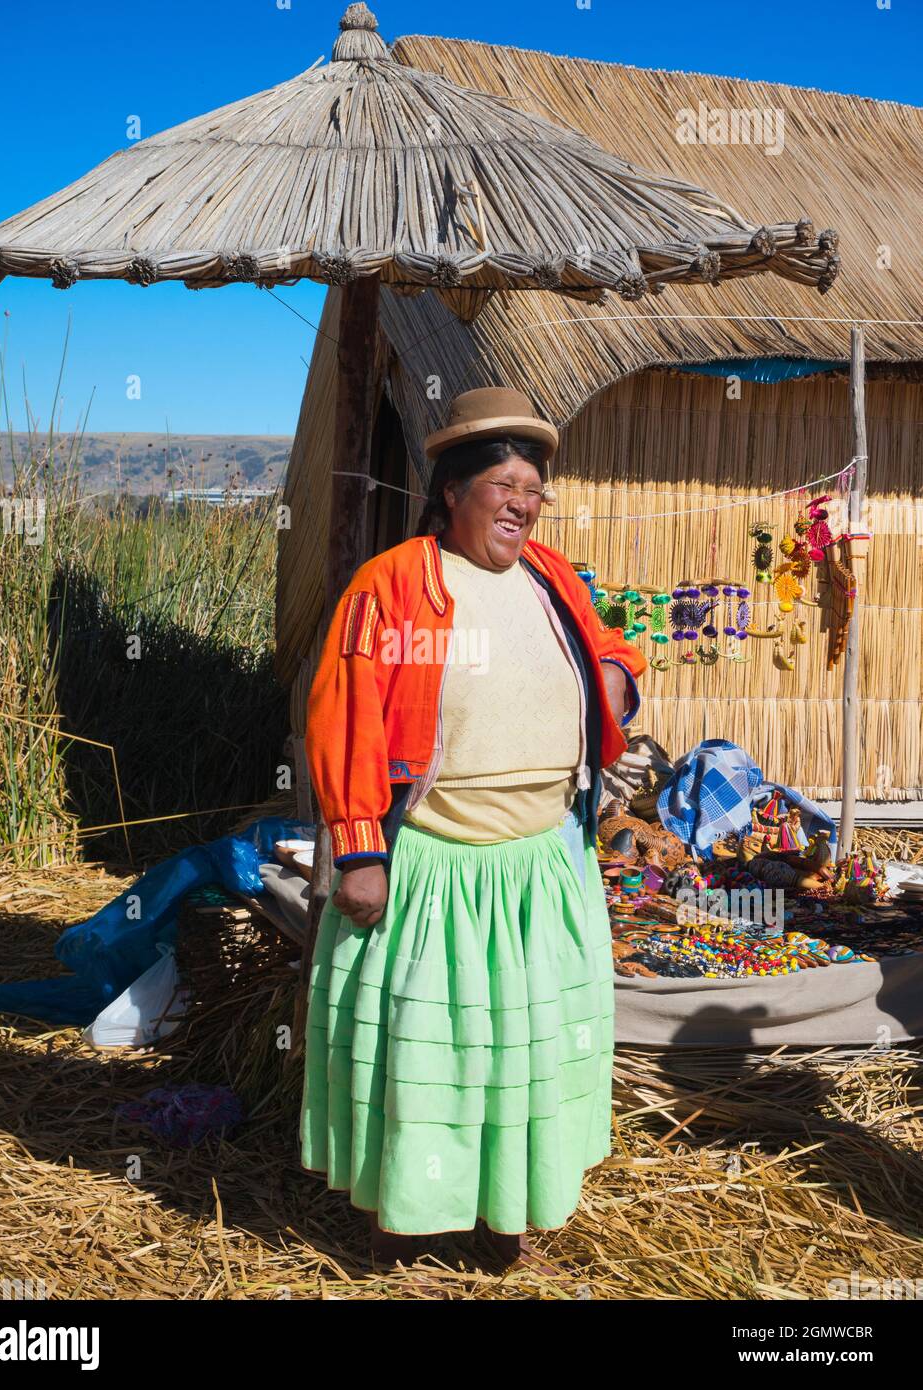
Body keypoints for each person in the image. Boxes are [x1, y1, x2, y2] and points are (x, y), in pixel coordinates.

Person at [300, 386, 646, 1269]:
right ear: (451, 490)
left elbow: (609, 646)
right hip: (436, 864)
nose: (522, 503)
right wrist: (360, 851)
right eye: (503, 484)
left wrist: (610, 681)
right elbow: (347, 719)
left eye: (533, 488)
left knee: (525, 1055)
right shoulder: (396, 587)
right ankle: (410, 1222)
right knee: (434, 1056)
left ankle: (508, 1214)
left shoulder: (552, 577)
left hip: (541, 864)